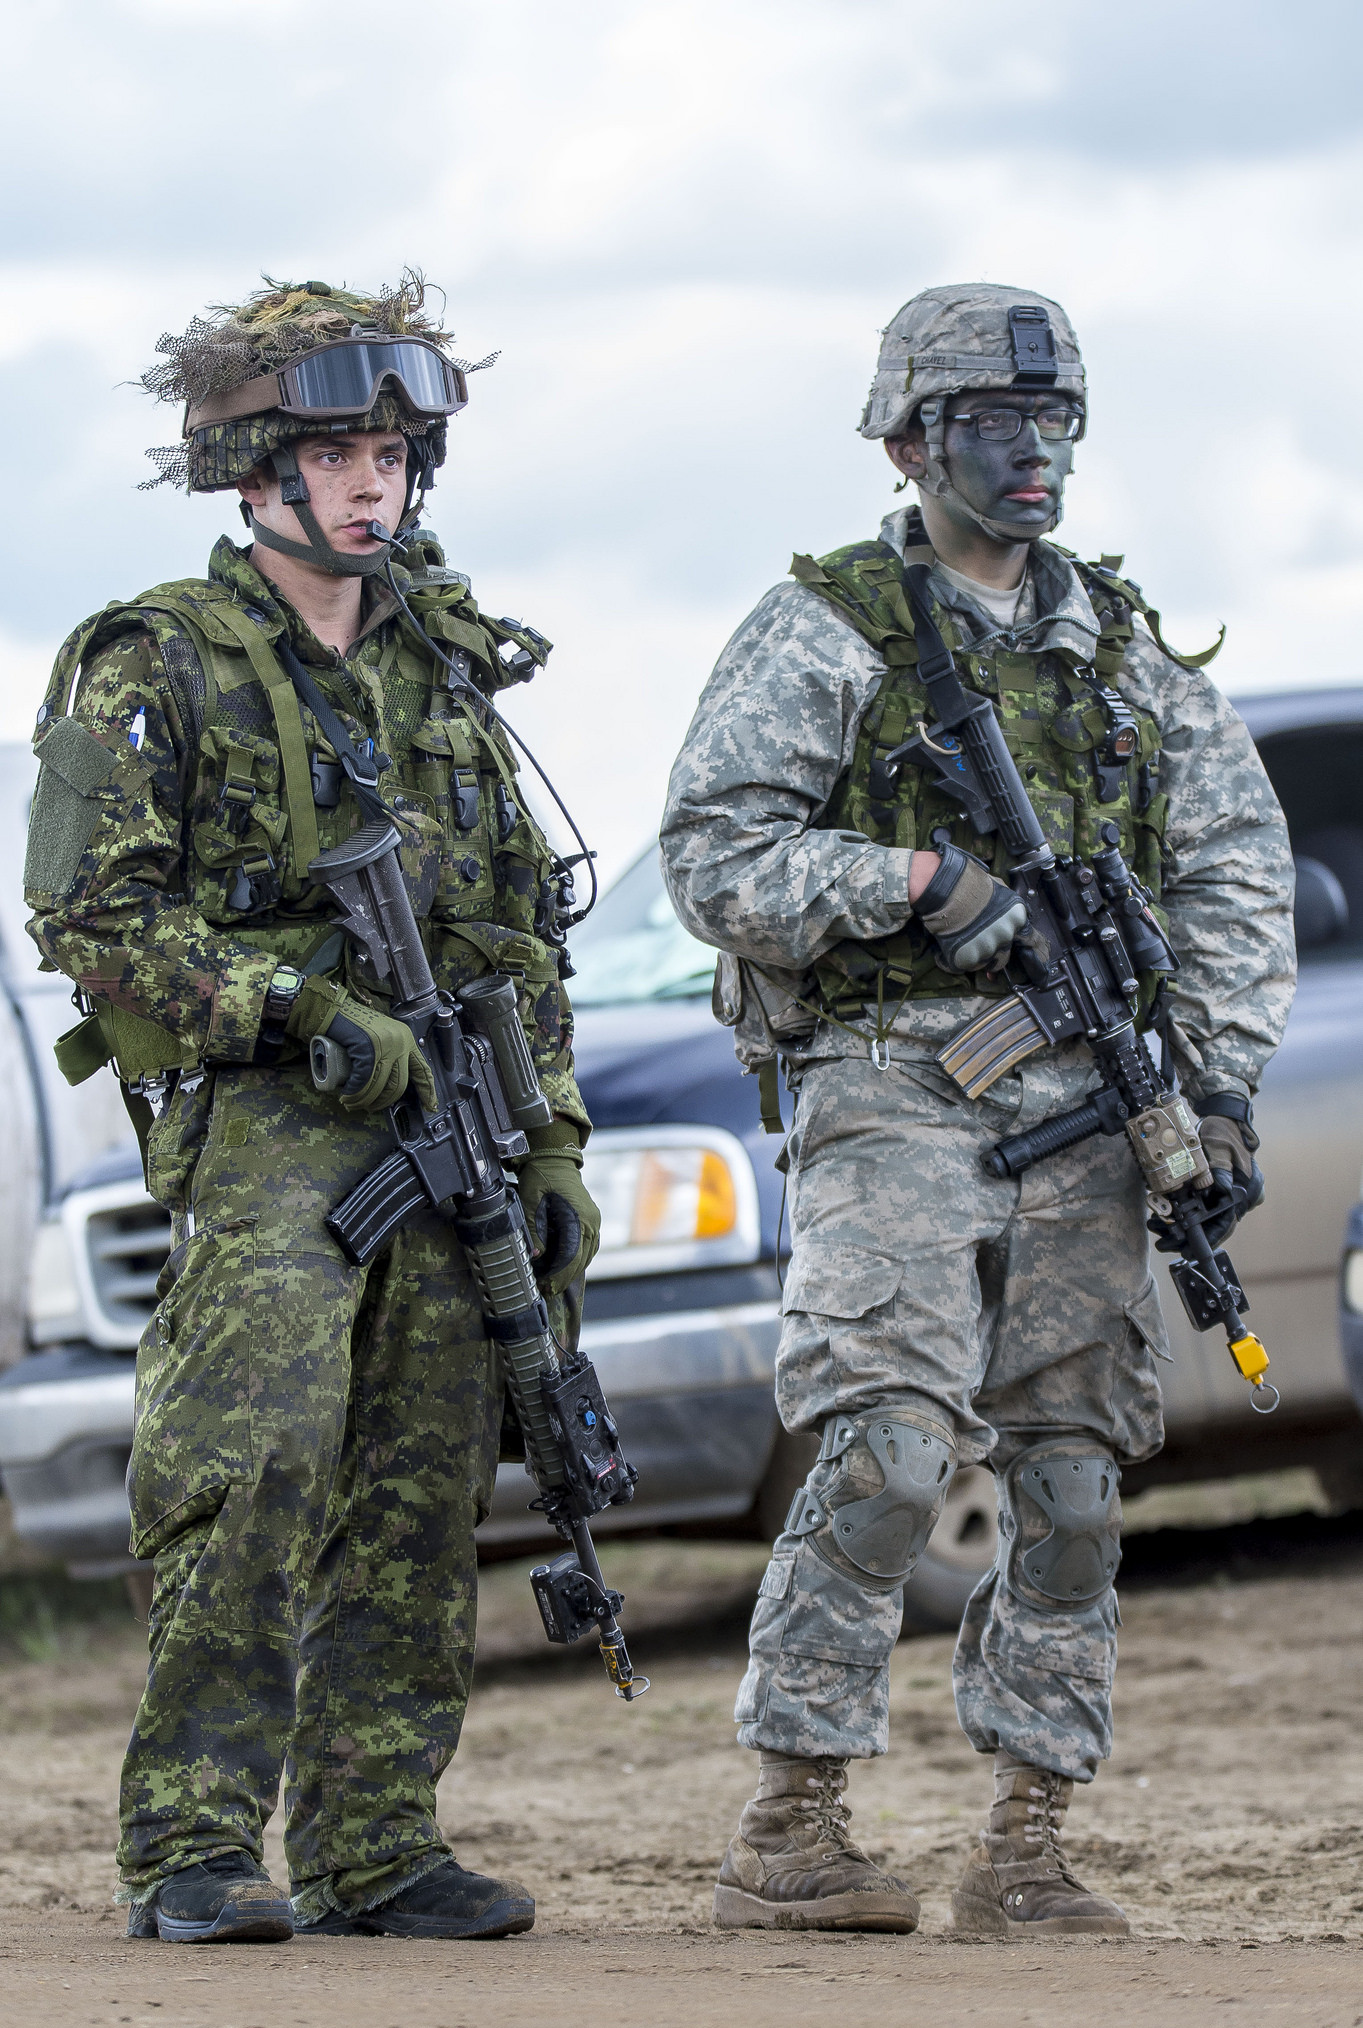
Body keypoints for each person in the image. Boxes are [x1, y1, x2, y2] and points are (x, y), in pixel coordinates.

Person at [659, 283, 1294, 1936]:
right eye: (994, 426)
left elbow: (1234, 866)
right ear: (910, 440)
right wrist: (921, 882)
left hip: (1094, 1095)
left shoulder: (1116, 644)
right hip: (893, 1076)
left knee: (1076, 1476)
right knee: (883, 1443)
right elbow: (716, 856)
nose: (1033, 458)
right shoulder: (833, 627)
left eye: (1055, 423)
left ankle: (1025, 1844)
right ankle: (790, 1829)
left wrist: (1213, 1080)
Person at [23, 274, 600, 1943]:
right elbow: (92, 916)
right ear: (251, 468)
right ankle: (191, 1848)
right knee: (256, 1452)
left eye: (395, 453)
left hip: (449, 1112)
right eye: (337, 450)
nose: (373, 484)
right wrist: (291, 1007)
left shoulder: (442, 664)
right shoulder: (156, 662)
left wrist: (548, 1135)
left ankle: (375, 1842)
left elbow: (513, 930)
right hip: (276, 1113)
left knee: (425, 1469)